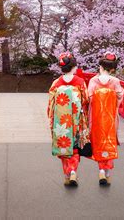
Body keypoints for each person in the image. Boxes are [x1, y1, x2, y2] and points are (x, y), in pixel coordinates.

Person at [47, 52, 89, 186]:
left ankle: (67, 174)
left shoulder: (56, 83)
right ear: (73, 66)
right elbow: (86, 100)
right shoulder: (80, 82)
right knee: (75, 147)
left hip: (61, 121)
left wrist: (52, 117)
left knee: (64, 146)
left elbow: (51, 103)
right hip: (75, 119)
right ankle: (73, 172)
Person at [87, 52, 124, 186]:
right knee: (109, 140)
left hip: (97, 117)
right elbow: (119, 96)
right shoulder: (115, 81)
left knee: (98, 140)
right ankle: (106, 172)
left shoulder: (93, 81)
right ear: (113, 68)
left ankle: (101, 169)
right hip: (109, 117)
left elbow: (89, 98)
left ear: (100, 66)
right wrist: (110, 96)